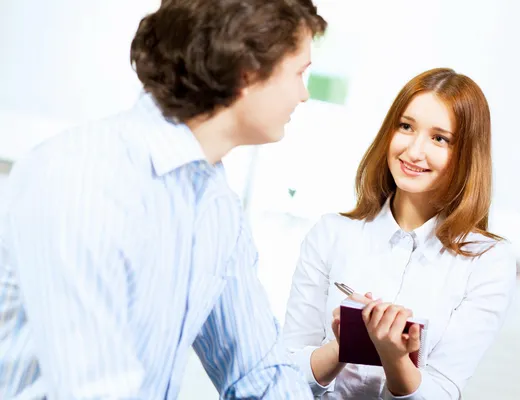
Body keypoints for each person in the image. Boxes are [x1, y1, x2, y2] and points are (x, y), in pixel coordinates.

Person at [0, 0, 326, 398]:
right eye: (299, 73)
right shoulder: (84, 178)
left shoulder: (215, 202)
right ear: (248, 71)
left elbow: (260, 371)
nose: (304, 94)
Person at [282, 68, 517, 399]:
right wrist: (343, 346)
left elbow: (444, 389)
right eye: (406, 127)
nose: (414, 151)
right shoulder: (331, 234)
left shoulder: (488, 261)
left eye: (440, 138)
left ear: (466, 154)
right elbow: (284, 376)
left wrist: (396, 361)